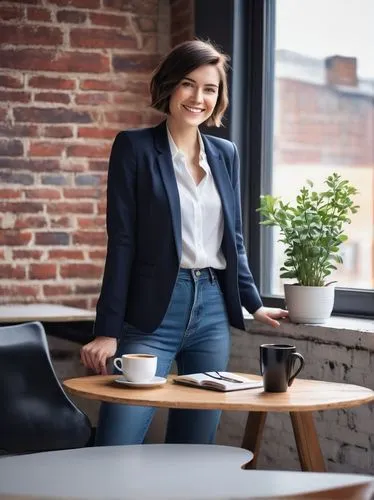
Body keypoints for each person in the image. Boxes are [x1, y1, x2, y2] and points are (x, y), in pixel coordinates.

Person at [80, 39, 288, 446]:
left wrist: (254, 302)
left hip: (211, 311)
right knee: (116, 442)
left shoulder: (225, 153)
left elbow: (234, 238)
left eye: (210, 89)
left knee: (194, 445)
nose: (198, 98)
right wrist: (107, 330)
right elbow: (121, 242)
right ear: (169, 86)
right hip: (151, 315)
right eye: (188, 85)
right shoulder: (134, 148)